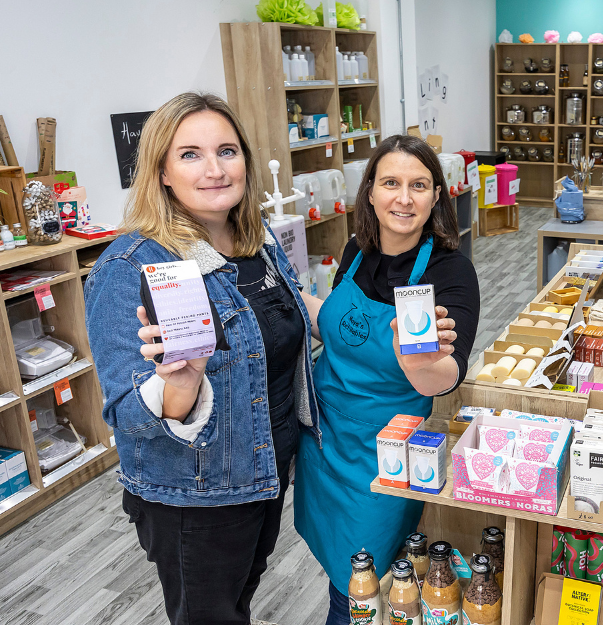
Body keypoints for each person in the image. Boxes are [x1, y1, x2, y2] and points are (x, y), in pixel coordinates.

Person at [85, 92, 319, 625]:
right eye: (190, 154)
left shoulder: (255, 238)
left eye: (227, 151)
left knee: (237, 600)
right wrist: (182, 384)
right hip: (198, 495)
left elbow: (290, 315)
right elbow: (129, 419)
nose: (214, 169)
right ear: (162, 172)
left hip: (266, 468)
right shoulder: (130, 267)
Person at [293, 135, 480, 625]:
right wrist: (288, 302)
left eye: (419, 185)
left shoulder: (450, 271)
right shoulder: (355, 251)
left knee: (361, 587)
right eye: (391, 183)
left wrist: (417, 362)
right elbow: (336, 328)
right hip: (325, 441)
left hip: (383, 459)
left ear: (437, 196)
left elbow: (446, 377)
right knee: (339, 573)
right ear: (369, 192)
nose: (404, 197)